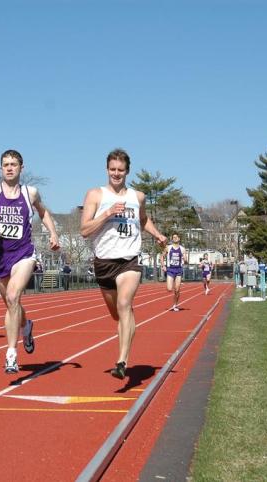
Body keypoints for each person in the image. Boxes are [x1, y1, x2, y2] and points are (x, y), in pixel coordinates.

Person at [0, 149, 60, 374]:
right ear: (0, 168)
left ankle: (10, 354)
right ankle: (26, 327)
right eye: (5, 164)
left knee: (13, 296)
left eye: (13, 164)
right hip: (0, 259)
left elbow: (44, 213)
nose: (9, 167)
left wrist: (53, 234)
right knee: (11, 304)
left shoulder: (30, 193)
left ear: (21, 168)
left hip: (24, 254)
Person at [80, 148, 166, 379]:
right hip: (104, 263)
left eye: (120, 170)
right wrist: (107, 213)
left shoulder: (137, 197)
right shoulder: (95, 195)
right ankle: (125, 335)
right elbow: (84, 230)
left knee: (125, 304)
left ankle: (122, 361)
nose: (116, 174)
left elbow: (143, 219)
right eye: (112, 170)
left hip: (129, 260)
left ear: (127, 171)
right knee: (117, 315)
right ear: (107, 170)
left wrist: (157, 234)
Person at [162, 233, 187, 311]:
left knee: (177, 290)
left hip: (179, 270)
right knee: (169, 289)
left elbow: (186, 260)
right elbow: (162, 257)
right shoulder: (168, 248)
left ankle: (175, 305)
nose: (175, 238)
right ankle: (175, 298)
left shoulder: (182, 249)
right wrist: (163, 266)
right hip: (170, 269)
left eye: (176, 237)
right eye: (173, 237)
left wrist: (185, 260)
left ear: (179, 239)